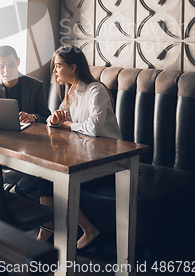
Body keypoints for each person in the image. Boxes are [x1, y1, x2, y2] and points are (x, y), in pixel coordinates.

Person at [37, 45, 122, 252]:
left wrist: (66, 125)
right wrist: (55, 120)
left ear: (73, 67)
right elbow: (54, 118)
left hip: (110, 162)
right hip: (84, 156)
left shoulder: (96, 90)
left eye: (58, 66)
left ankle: (86, 231)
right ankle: (47, 231)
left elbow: (93, 128)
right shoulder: (71, 90)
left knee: (57, 179)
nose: (55, 71)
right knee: (45, 175)